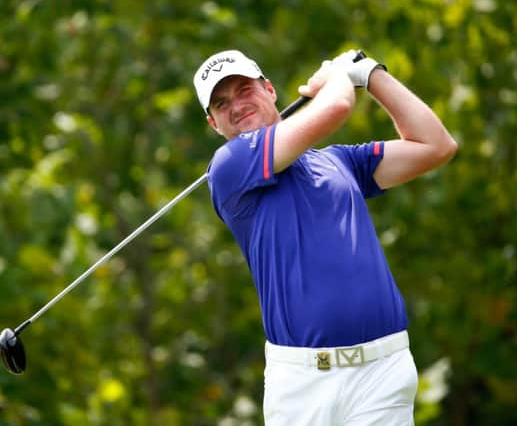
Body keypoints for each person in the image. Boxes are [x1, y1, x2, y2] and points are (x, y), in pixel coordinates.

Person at [193, 49, 457, 426]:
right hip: (302, 385)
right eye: (221, 103)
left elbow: (436, 146)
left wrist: (369, 74)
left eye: (244, 90)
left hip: (381, 373)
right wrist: (335, 76)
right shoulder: (229, 167)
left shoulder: (340, 163)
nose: (235, 105)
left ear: (269, 90)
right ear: (214, 124)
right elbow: (335, 108)